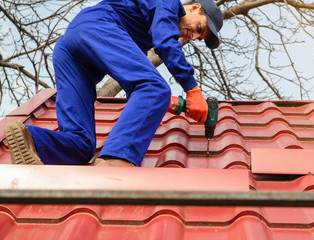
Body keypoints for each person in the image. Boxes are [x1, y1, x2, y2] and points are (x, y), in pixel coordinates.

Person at [4, 0, 223, 167]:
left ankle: (32, 140)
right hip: (99, 26)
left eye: (199, 38)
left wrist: (167, 103)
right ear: (194, 8)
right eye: (200, 29)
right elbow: (165, 42)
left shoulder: (141, 30)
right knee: (155, 88)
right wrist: (192, 89)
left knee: (80, 144)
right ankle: (114, 162)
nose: (194, 37)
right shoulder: (168, 3)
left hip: (70, 48)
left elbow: (135, 88)